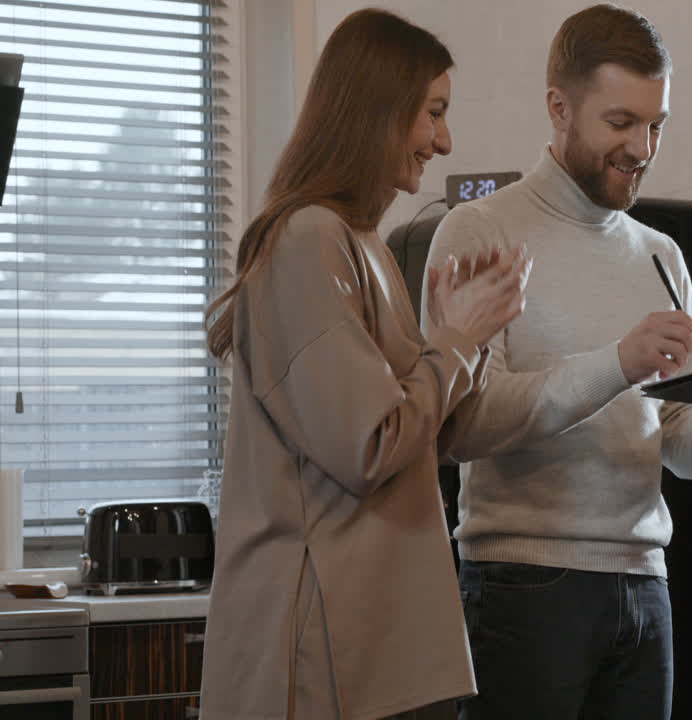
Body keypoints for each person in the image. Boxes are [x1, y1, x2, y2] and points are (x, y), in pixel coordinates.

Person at [421, 5, 692, 719]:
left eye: (656, 124)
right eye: (620, 122)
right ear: (558, 109)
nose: (643, 147)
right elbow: (459, 429)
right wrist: (616, 363)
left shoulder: (663, 256)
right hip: (524, 586)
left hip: (646, 586)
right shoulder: (478, 231)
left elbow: (682, 446)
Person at [199, 9, 529, 720]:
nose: (444, 141)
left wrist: (454, 337)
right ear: (378, 112)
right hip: (333, 657)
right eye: (432, 113)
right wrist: (457, 341)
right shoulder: (307, 241)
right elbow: (370, 445)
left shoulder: (362, 246)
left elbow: (425, 433)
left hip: (383, 646)